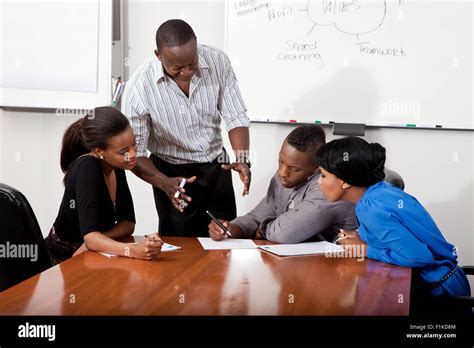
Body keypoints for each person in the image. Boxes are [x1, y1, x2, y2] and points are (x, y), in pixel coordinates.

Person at [122, 19, 251, 237]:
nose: (187, 72)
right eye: (178, 68)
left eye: (192, 64)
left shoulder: (218, 62)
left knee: (226, 239)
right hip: (171, 174)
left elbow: (236, 115)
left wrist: (242, 157)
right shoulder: (139, 89)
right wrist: (164, 183)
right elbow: (133, 155)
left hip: (216, 167)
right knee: (180, 249)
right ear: (158, 55)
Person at [315, 136, 470, 302]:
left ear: (345, 181)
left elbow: (418, 257)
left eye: (323, 175)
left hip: (440, 294)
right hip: (448, 281)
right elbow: (397, 233)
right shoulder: (380, 191)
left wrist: (365, 249)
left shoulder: (371, 208)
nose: (319, 182)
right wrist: (363, 237)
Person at [45, 107, 163, 265]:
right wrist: (133, 250)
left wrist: (100, 239)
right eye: (123, 151)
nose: (133, 154)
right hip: (65, 256)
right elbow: (91, 237)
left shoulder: (115, 164)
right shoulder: (87, 167)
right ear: (100, 152)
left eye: (133, 144)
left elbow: (128, 223)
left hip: (90, 251)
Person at [208, 126, 357, 243]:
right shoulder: (282, 178)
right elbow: (256, 217)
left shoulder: (329, 187)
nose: (282, 173)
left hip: (338, 269)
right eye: (281, 161)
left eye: (294, 168)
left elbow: (284, 233)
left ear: (316, 167)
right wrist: (230, 228)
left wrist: (261, 230)